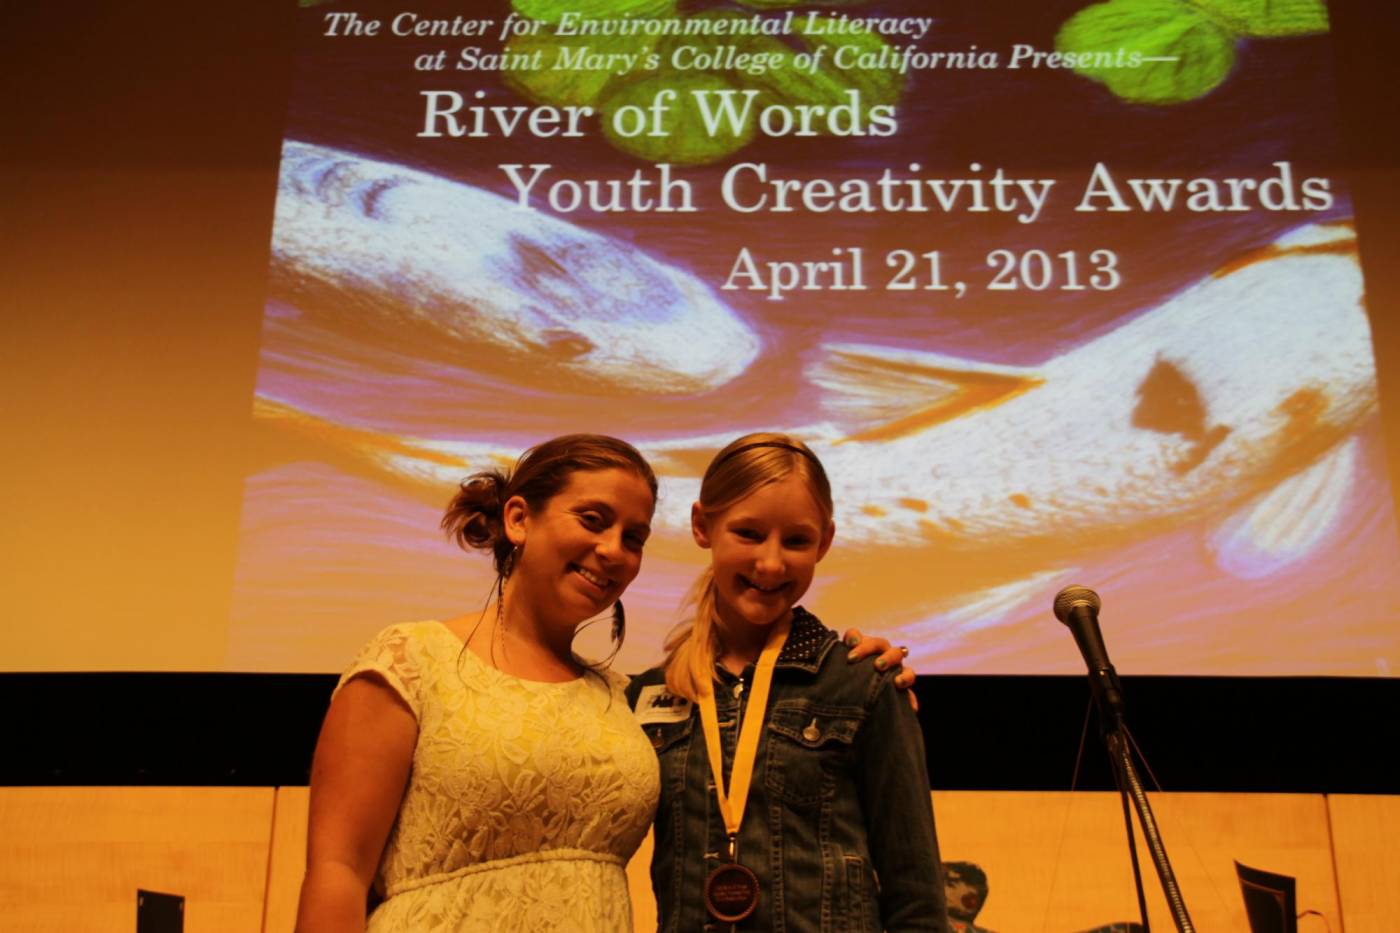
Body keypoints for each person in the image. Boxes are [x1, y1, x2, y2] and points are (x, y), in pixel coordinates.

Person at [295, 433, 911, 932]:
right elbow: (337, 869)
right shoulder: (412, 658)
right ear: (517, 518)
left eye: (634, 537)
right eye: (593, 520)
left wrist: (865, 667)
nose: (612, 550)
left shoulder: (624, 698)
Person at [627, 432, 948, 932]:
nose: (772, 563)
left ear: (824, 542)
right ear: (701, 525)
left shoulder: (863, 685)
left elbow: (917, 897)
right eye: (749, 534)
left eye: (796, 540)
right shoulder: (645, 696)